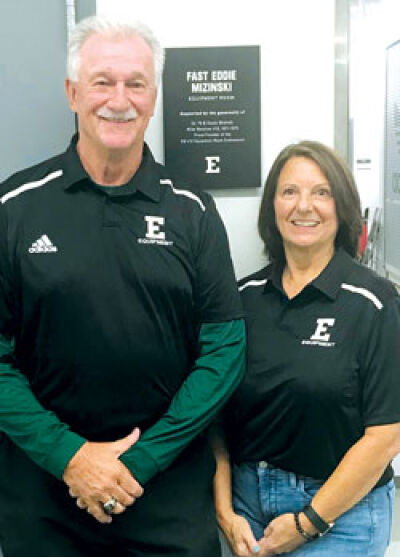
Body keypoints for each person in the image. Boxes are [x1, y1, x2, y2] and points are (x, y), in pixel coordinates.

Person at [0, 15, 245, 557]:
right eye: (102, 81)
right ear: (72, 92)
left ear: (154, 97)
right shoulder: (14, 209)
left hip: (167, 499)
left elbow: (225, 351)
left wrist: (138, 462)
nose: (119, 99)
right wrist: (71, 457)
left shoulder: (193, 211)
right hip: (45, 504)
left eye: (136, 83)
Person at [213, 141, 400, 557]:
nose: (304, 206)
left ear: (342, 206)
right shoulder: (241, 300)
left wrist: (308, 522)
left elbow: (386, 435)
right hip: (247, 510)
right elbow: (217, 421)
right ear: (272, 206)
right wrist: (225, 511)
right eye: (289, 191)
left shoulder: (375, 303)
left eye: (321, 192)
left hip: (342, 516)